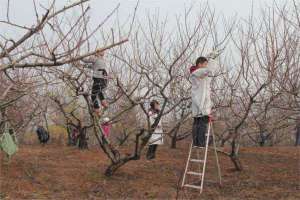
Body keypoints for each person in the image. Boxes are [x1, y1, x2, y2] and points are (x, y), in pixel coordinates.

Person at [189, 50, 221, 147]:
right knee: (202, 124)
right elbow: (210, 70)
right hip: (201, 104)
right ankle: (201, 143)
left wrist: (209, 58)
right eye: (205, 64)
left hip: (199, 103)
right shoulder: (198, 72)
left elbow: (209, 73)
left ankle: (197, 143)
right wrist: (213, 59)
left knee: (197, 123)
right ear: (199, 64)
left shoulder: (198, 73)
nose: (206, 66)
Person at [82, 51, 109, 115]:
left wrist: (79, 57)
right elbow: (90, 66)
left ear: (97, 54)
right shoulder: (102, 61)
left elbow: (85, 60)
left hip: (98, 80)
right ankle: (104, 104)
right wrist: (80, 65)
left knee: (93, 95)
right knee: (99, 92)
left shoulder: (96, 59)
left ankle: (97, 110)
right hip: (104, 81)